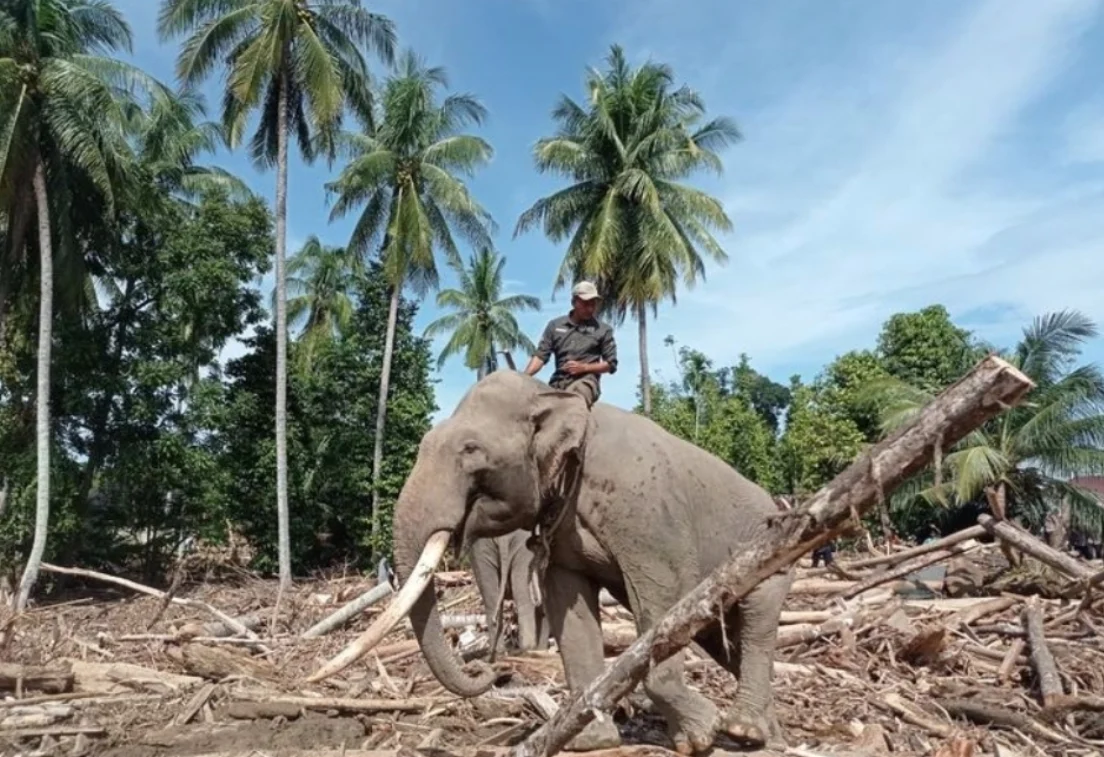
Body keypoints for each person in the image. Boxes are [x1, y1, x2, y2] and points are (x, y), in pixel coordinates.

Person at [523, 281, 618, 408]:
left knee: (574, 405)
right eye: (585, 303)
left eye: (593, 304)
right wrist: (523, 377)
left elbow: (611, 364)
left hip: (586, 383)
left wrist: (584, 368)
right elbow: (540, 356)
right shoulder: (555, 326)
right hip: (557, 383)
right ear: (574, 302)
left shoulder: (603, 330)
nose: (590, 308)